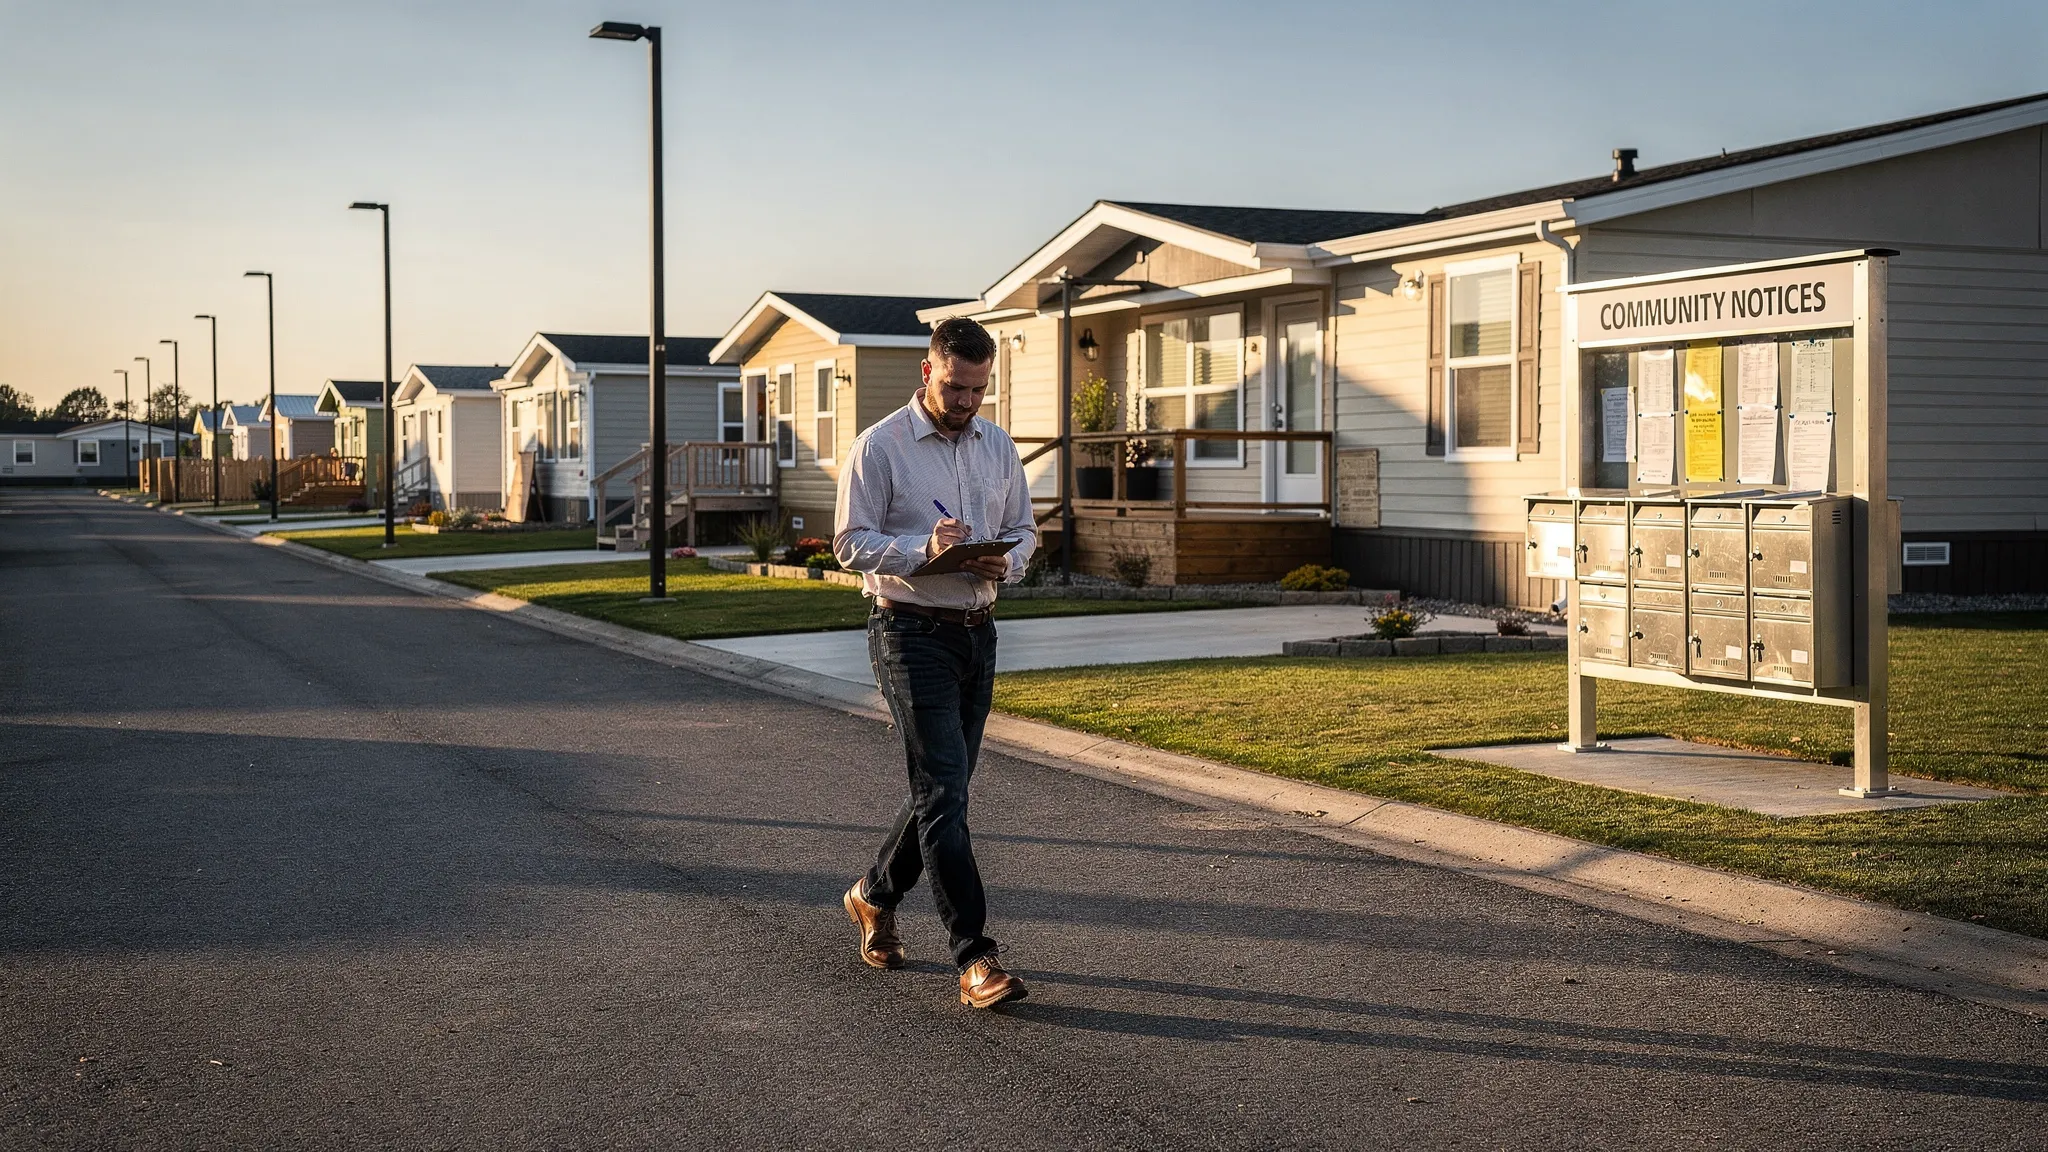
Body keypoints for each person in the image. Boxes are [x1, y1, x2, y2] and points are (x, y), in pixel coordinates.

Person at [832, 316, 1037, 1010]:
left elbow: (1027, 531)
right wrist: (924, 547)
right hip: (908, 631)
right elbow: (849, 543)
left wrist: (1006, 557)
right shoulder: (880, 447)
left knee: (940, 791)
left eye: (979, 390)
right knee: (945, 793)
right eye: (955, 387)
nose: (967, 402)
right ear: (928, 372)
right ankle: (975, 958)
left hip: (978, 631)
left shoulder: (999, 446)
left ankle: (874, 894)